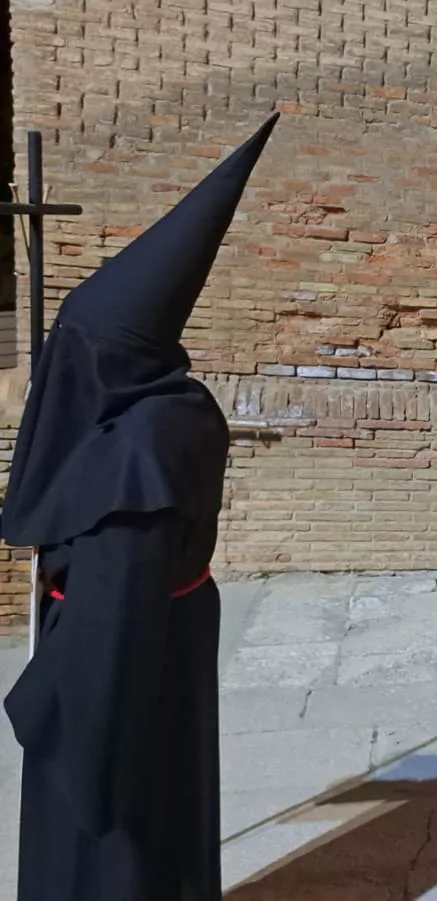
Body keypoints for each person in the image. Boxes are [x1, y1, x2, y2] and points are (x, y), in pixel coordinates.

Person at [1, 114, 278, 900]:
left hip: (126, 677)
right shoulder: (179, 407)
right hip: (171, 650)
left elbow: (107, 640)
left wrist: (46, 699)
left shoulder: (132, 455)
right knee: (170, 817)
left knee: (113, 843)